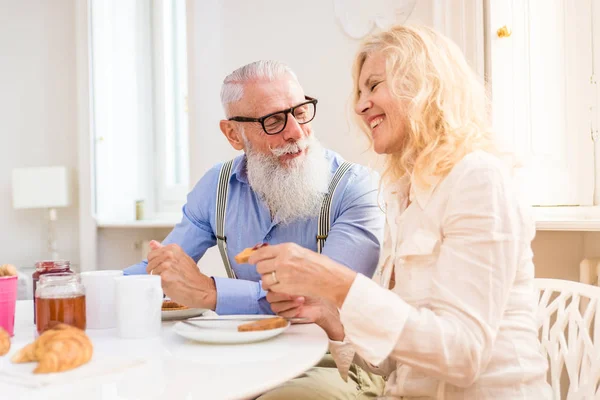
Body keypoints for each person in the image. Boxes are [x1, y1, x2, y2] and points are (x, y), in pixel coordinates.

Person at [251, 26, 552, 399]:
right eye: (359, 92)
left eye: (374, 86)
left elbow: (462, 356)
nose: (360, 105)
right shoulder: (403, 195)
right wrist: (329, 313)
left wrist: (339, 284)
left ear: (424, 87)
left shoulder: (478, 179)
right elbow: (394, 363)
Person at [125, 60, 386, 398]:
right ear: (234, 134)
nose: (296, 131)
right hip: (243, 354)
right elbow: (157, 273)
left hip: (334, 359)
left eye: (300, 111)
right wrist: (90, 289)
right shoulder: (216, 188)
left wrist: (210, 293)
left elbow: (321, 301)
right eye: (274, 120)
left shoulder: (357, 188)